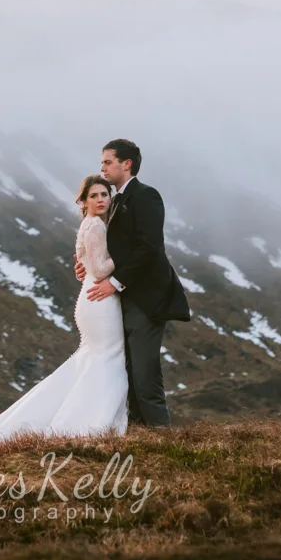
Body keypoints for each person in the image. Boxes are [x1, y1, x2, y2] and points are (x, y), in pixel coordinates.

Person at [0, 175, 129, 455]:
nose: (101, 200)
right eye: (94, 196)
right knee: (108, 356)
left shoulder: (89, 225)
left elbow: (85, 265)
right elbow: (98, 270)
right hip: (100, 300)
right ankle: (89, 421)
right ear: (84, 201)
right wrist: (126, 257)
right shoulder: (96, 225)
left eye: (104, 195)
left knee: (96, 357)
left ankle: (79, 413)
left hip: (91, 299)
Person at [81, 138, 191, 426]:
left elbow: (149, 247)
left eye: (107, 161)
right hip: (126, 299)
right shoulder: (115, 201)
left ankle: (163, 440)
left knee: (145, 375)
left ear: (126, 164)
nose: (102, 167)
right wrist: (87, 265)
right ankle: (141, 436)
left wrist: (114, 282)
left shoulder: (146, 196)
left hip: (146, 299)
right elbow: (107, 243)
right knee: (128, 373)